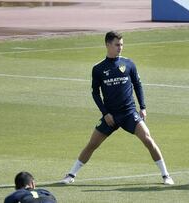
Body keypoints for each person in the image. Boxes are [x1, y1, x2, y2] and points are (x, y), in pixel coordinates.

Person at [60, 31, 174, 185]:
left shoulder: (128, 64)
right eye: (117, 45)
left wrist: (143, 107)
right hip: (111, 116)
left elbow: (137, 85)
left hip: (129, 113)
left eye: (121, 44)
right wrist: (105, 113)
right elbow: (95, 93)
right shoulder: (98, 68)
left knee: (148, 139)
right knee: (92, 144)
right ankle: (70, 175)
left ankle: (166, 175)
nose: (120, 47)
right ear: (108, 45)